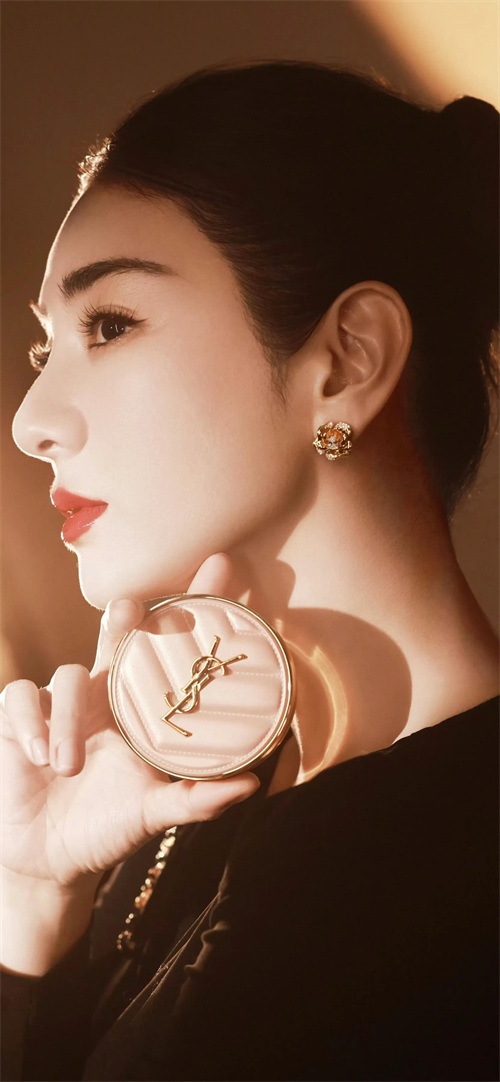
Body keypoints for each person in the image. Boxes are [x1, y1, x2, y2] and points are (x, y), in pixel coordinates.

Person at [1, 60, 498, 1082]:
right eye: (47, 350)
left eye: (109, 325)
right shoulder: (176, 814)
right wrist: (36, 903)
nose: (30, 421)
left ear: (348, 359)